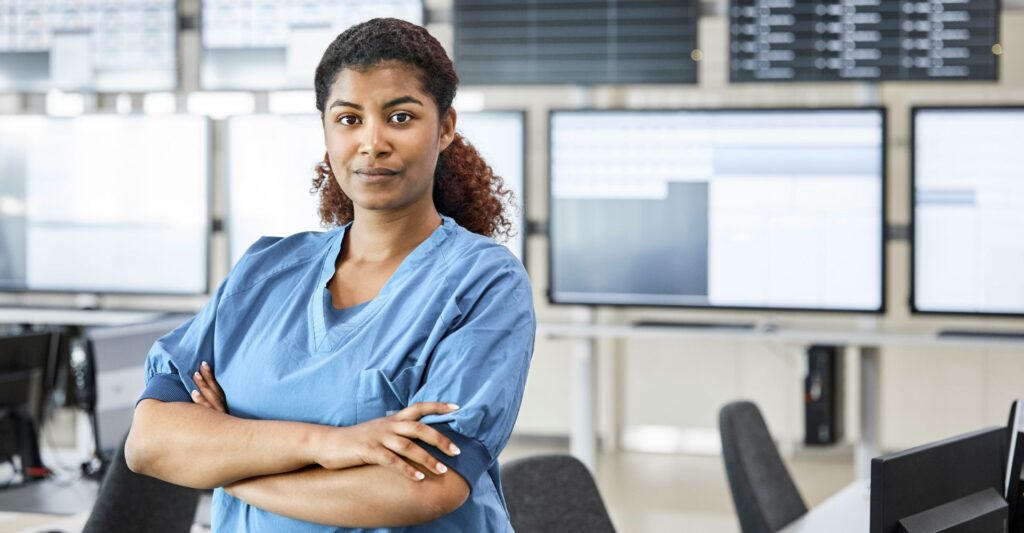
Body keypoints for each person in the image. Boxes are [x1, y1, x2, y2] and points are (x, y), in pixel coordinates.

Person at [125, 18, 536, 532]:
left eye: (401, 117)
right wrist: (335, 444)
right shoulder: (265, 271)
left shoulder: (483, 282)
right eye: (348, 119)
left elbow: (424, 485)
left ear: (446, 127)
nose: (372, 142)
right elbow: (149, 443)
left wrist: (230, 465)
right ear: (326, 130)